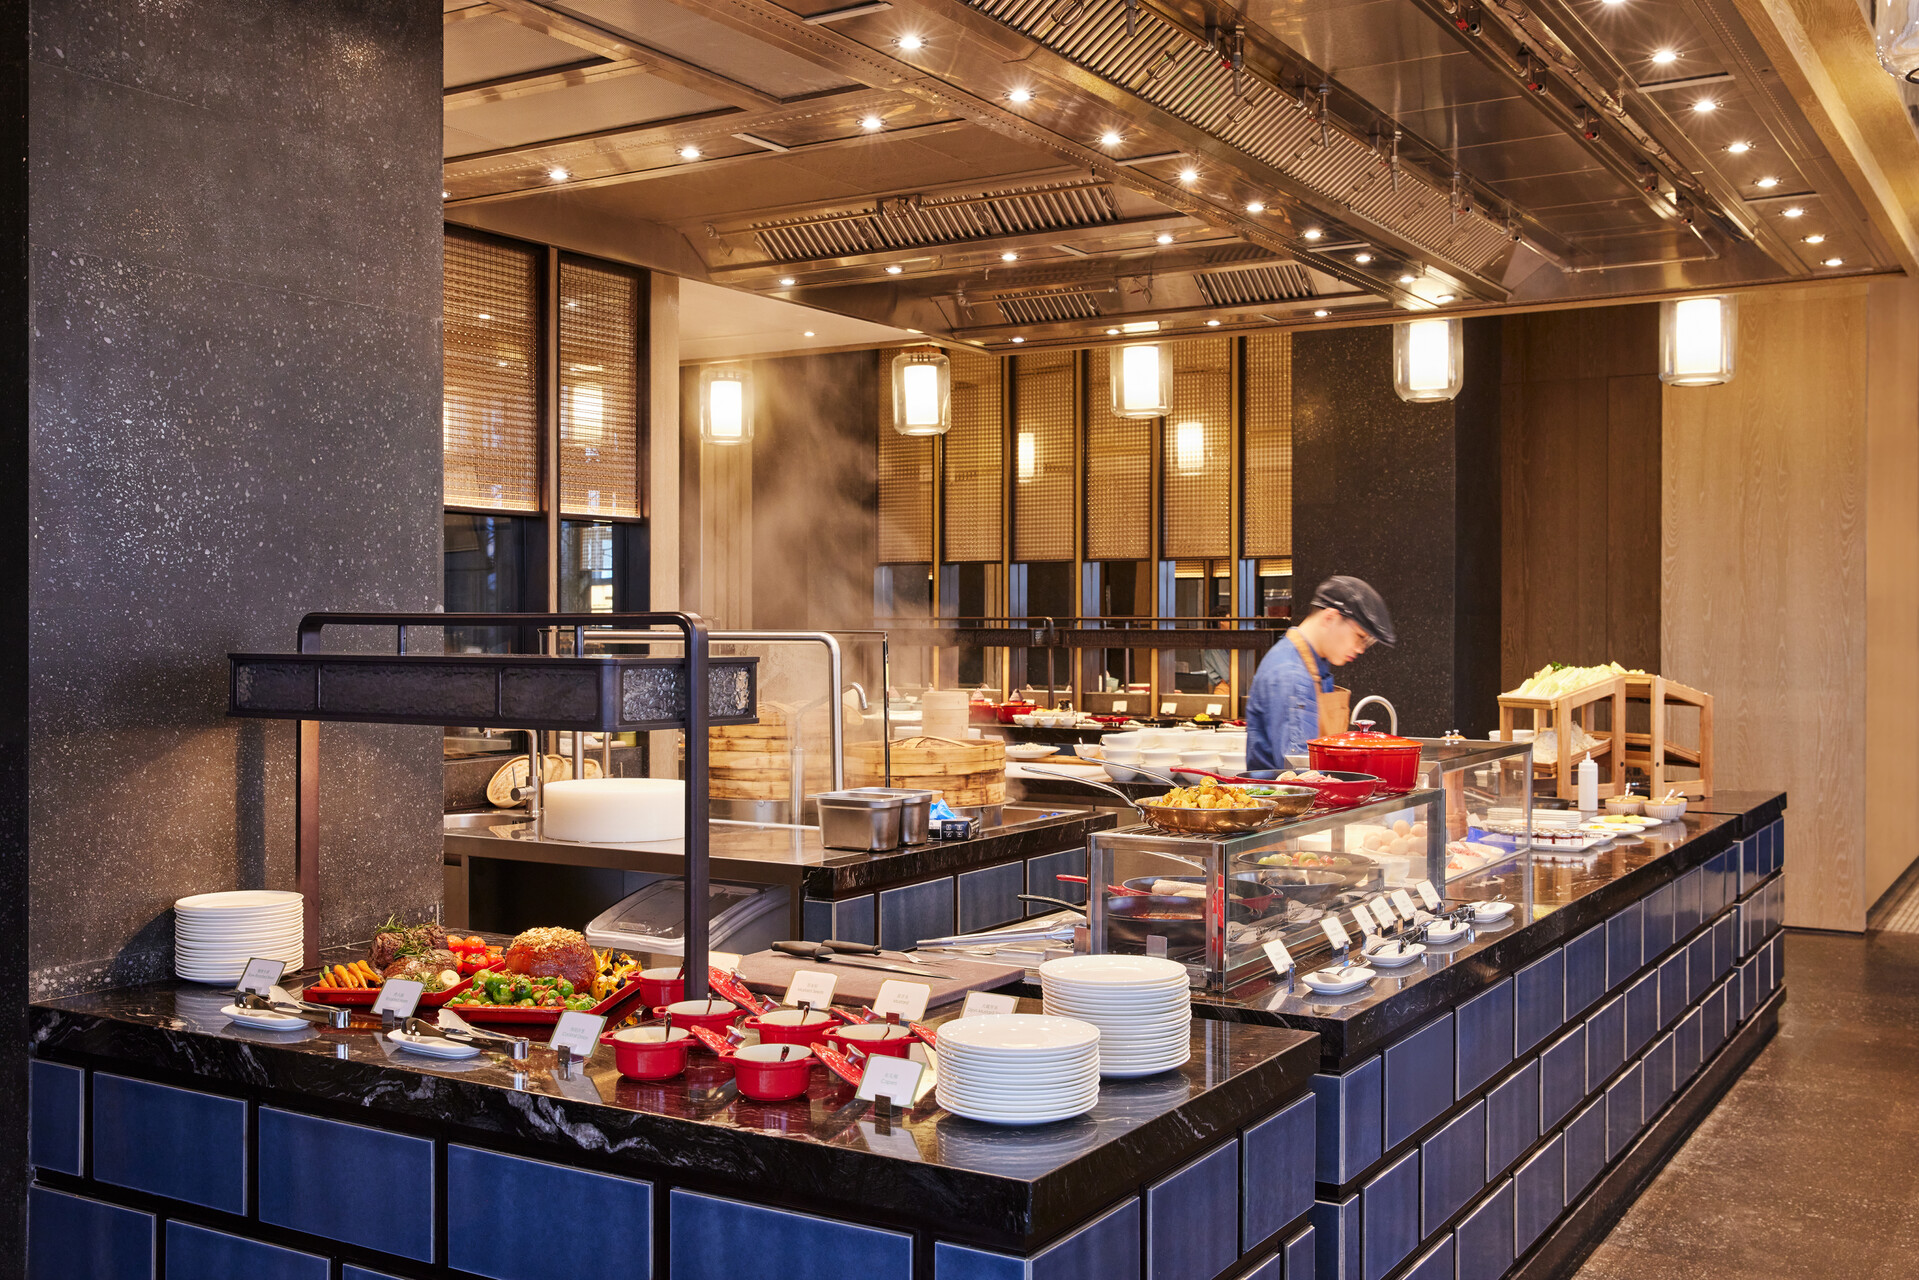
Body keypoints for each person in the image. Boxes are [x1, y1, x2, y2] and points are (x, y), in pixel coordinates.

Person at [1246, 576, 1395, 771]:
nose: (1360, 649)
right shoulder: (1292, 674)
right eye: (1359, 636)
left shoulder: (1312, 664)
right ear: (1330, 618)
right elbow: (1299, 772)